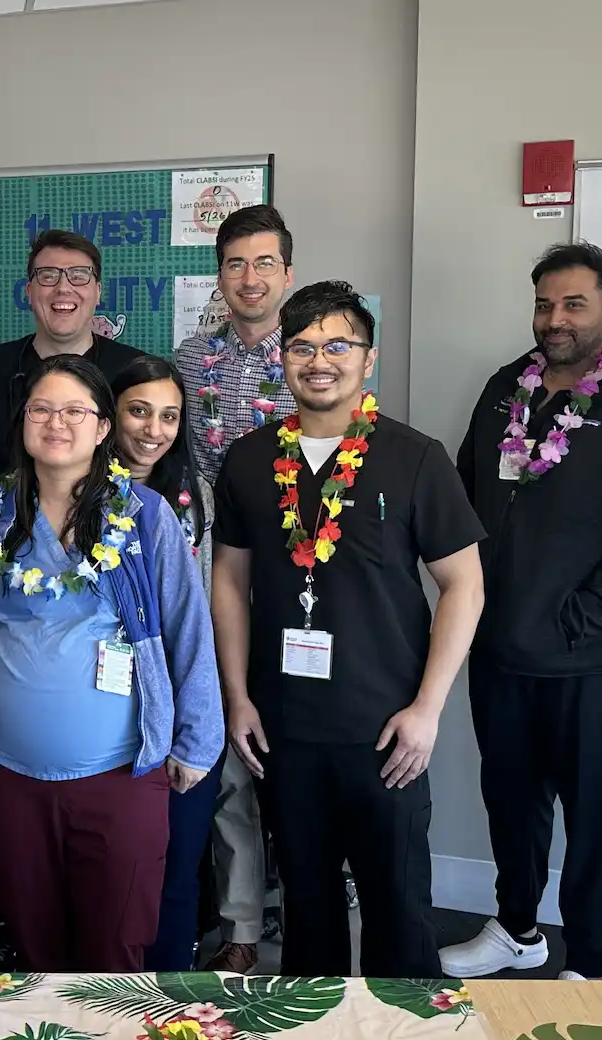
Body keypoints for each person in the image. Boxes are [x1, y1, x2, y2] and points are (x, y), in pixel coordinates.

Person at [442, 242, 602, 982]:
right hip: (501, 652)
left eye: (574, 304)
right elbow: (465, 493)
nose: (555, 319)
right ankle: (517, 927)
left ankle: (586, 963)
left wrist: (572, 622)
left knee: (595, 822)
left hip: (598, 664)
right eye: (544, 304)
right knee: (511, 802)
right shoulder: (505, 387)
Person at [213, 282, 484, 979]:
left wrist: (427, 710)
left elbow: (465, 585)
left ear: (369, 359)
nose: (319, 360)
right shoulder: (248, 460)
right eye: (302, 346)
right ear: (283, 358)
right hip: (284, 729)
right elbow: (229, 582)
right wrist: (238, 697)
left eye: (338, 345)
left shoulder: (415, 458)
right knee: (306, 909)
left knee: (399, 909)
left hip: (387, 731)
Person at [0, 355, 222, 972]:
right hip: (9, 778)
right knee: (34, 949)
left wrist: (196, 742)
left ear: (103, 429)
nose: (56, 423)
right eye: (42, 409)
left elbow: (188, 630)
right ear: (23, 422)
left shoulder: (145, 516)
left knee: (115, 952)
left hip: (119, 778)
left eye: (75, 411)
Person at [175, 204, 296, 973]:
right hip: (209, 576)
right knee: (226, 758)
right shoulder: (188, 361)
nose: (249, 279)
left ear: (286, 270)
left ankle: (309, 901)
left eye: (264, 264)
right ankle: (240, 923)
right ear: (218, 276)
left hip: (298, 579)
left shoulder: (314, 355)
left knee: (294, 754)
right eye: (234, 264)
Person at [108, 356, 221, 971]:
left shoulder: (194, 495)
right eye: (139, 411)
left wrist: (198, 728)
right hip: (105, 721)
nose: (154, 430)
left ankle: (174, 998)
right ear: (109, 416)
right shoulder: (76, 488)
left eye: (170, 416)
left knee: (178, 869)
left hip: (180, 711)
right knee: (118, 874)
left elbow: (201, 618)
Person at [0, 230, 144, 471]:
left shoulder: (136, 372)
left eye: (79, 275)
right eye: (48, 276)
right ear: (29, 292)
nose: (63, 288)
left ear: (98, 292)